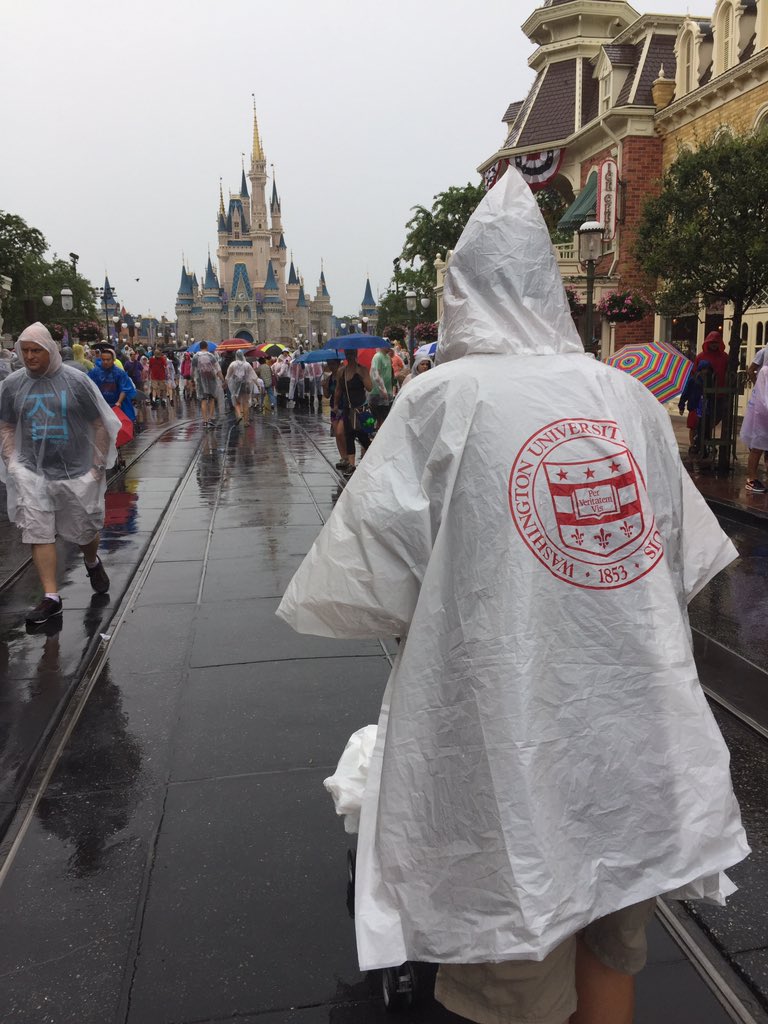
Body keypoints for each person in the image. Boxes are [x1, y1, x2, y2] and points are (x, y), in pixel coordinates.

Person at [277, 169, 748, 1024]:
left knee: (513, 978)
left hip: (505, 746)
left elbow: (370, 587)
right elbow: (678, 559)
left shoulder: (438, 401)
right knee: (611, 952)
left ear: (461, 293)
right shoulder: (625, 398)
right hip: (632, 746)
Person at [0, 323, 119, 626]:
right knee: (37, 531)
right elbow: (7, 425)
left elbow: (100, 423)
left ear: (50, 350)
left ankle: (91, 560)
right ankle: (51, 597)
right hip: (32, 472)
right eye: (25, 350)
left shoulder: (75, 382)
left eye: (36, 350)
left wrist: (96, 466)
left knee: (84, 530)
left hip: (75, 469)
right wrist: (12, 462)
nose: (29, 356)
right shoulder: (12, 385)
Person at [333, 349, 373, 476]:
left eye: (352, 354)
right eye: (348, 354)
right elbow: (338, 390)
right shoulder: (342, 371)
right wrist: (335, 405)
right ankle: (351, 465)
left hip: (361, 409)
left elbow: (369, 387)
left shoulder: (362, 370)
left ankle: (374, 455)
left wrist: (361, 376)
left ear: (355, 355)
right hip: (348, 409)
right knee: (349, 435)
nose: (349, 357)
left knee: (362, 436)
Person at [88, 347, 137, 423]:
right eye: (103, 359)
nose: (105, 362)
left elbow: (125, 388)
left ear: (113, 360)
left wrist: (119, 402)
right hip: (101, 406)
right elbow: (89, 386)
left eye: (108, 360)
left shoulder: (119, 373)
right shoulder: (94, 372)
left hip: (116, 406)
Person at [740, 364, 768, 492]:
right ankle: (751, 479)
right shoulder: (765, 371)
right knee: (757, 447)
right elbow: (763, 397)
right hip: (762, 416)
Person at [323, 358, 347, 469]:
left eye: (333, 364)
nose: (331, 366)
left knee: (340, 432)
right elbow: (327, 395)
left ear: (338, 363)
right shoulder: (329, 378)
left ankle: (347, 455)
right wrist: (324, 387)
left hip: (343, 406)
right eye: (329, 364)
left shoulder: (343, 376)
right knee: (337, 434)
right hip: (334, 408)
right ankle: (343, 457)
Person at [193, 341, 223, 427]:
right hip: (211, 379)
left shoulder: (195, 357)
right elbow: (218, 369)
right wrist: (222, 379)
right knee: (211, 399)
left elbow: (192, 369)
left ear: (199, 347)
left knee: (203, 399)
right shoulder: (211, 356)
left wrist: (192, 379)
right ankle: (211, 418)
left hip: (200, 379)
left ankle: (205, 420)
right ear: (207, 347)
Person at [226, 350, 260, 425]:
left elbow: (228, 376)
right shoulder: (247, 364)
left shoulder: (232, 364)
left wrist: (225, 383)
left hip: (236, 386)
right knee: (245, 403)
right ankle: (246, 421)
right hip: (246, 385)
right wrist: (258, 385)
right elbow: (253, 376)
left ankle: (239, 415)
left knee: (236, 402)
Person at [369, 346, 394, 426]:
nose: (389, 346)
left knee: (385, 417)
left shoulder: (388, 357)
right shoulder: (377, 356)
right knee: (378, 417)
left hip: (387, 392)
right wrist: (383, 389)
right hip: (377, 392)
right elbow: (376, 374)